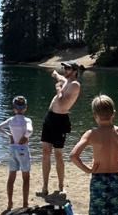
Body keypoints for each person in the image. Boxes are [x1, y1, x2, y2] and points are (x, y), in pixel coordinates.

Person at [69, 95, 118, 215]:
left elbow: (73, 156)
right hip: (116, 178)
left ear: (95, 115)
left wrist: (87, 169)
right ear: (114, 113)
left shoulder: (91, 134)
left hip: (98, 179)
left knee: (97, 211)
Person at [39, 61, 82, 196]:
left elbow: (62, 100)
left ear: (75, 71)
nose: (65, 69)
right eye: (64, 67)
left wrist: (58, 88)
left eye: (68, 68)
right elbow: (58, 76)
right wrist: (54, 73)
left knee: (58, 154)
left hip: (60, 120)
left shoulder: (75, 85)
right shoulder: (66, 80)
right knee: (45, 152)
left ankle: (61, 186)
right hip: (49, 117)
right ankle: (44, 187)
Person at [0, 95, 33, 210]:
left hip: (12, 149)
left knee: (11, 177)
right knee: (25, 177)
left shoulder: (11, 120)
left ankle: (10, 203)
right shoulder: (27, 120)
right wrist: (25, 137)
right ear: (25, 108)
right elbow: (30, 130)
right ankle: (25, 204)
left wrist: (10, 135)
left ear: (14, 108)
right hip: (22, 149)